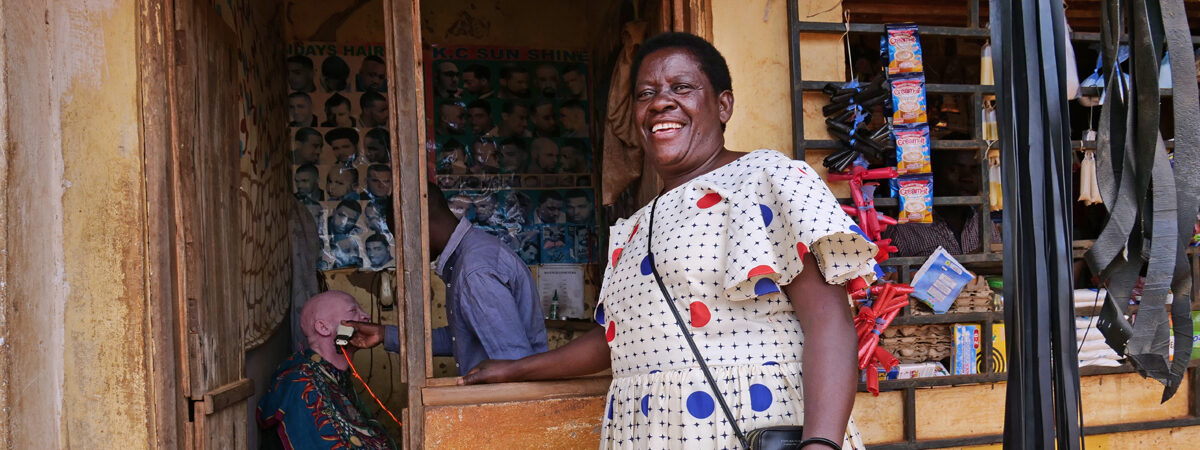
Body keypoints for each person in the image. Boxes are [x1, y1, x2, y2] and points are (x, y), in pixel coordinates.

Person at [457, 33, 876, 449]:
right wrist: (517, 369)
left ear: (723, 104)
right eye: (646, 93)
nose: (660, 102)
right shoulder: (635, 227)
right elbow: (614, 340)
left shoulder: (765, 178)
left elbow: (829, 323)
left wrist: (820, 444)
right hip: (654, 434)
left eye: (681, 87)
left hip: (751, 427)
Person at [344, 184, 549, 376]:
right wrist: (384, 334)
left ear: (419, 223)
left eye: (402, 237)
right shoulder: (471, 255)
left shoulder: (474, 271)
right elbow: (462, 338)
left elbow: (515, 364)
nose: (404, 248)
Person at [257, 291, 394, 450]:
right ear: (323, 327)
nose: (366, 316)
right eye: (353, 311)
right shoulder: (302, 383)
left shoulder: (333, 376)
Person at [882, 151, 1001, 257]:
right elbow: (886, 277)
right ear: (934, 174)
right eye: (954, 169)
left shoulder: (984, 223)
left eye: (974, 170)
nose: (967, 178)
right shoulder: (903, 230)